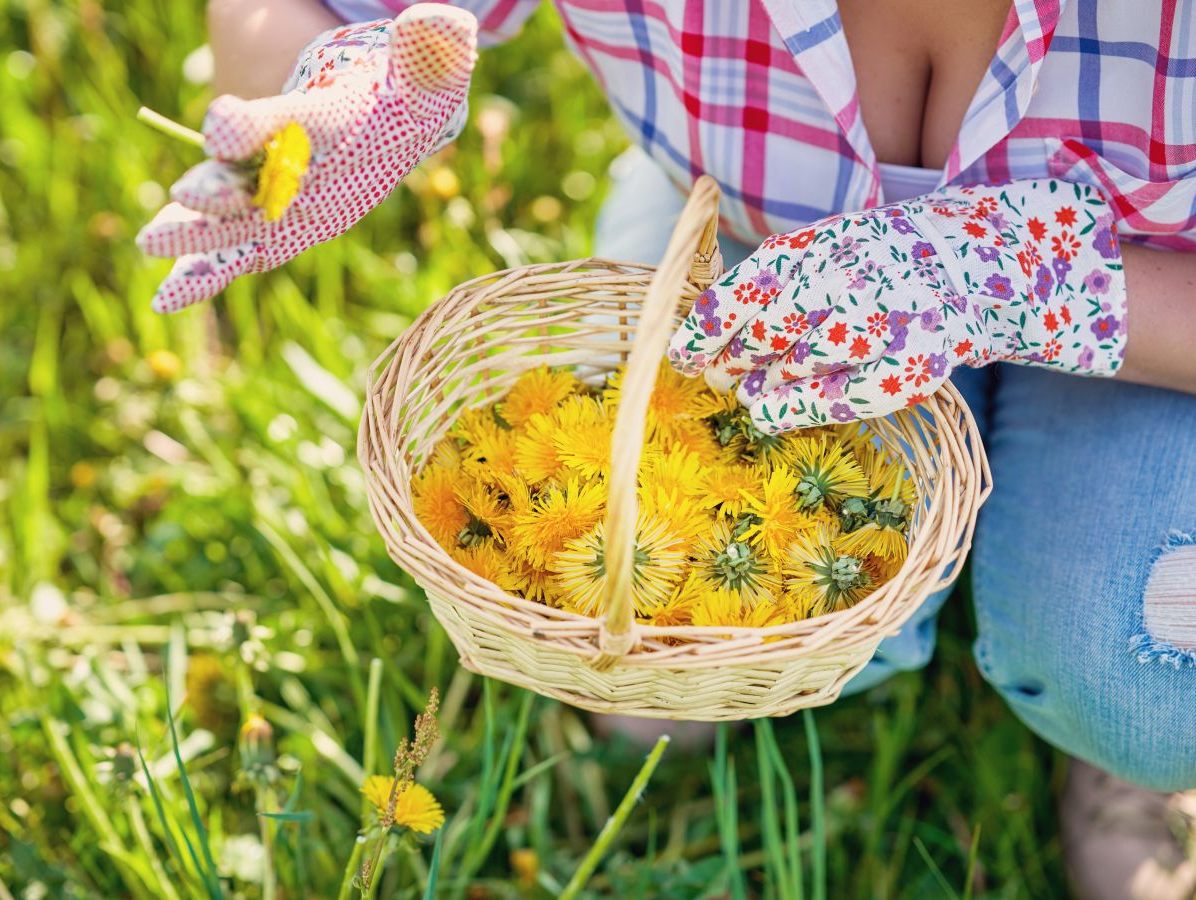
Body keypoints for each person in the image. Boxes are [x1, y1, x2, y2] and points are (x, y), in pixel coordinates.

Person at [137, 2, 1196, 895]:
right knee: (643, 631)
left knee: (1144, 676)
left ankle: (1118, 759)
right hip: (763, 235)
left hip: (1153, 304)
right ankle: (664, 199)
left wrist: (1033, 286)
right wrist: (327, 99)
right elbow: (300, 11)